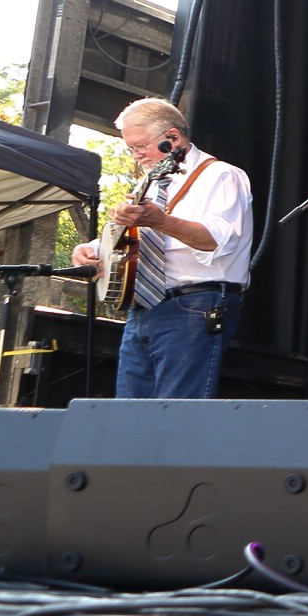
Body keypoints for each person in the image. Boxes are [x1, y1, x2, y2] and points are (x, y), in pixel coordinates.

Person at [71, 98, 253, 399]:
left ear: (172, 138)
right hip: (143, 306)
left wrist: (161, 221)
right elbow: (134, 237)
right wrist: (92, 249)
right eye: (131, 148)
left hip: (195, 304)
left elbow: (216, 240)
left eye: (141, 146)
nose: (136, 155)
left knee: (175, 416)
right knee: (128, 416)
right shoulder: (153, 182)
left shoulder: (221, 176)